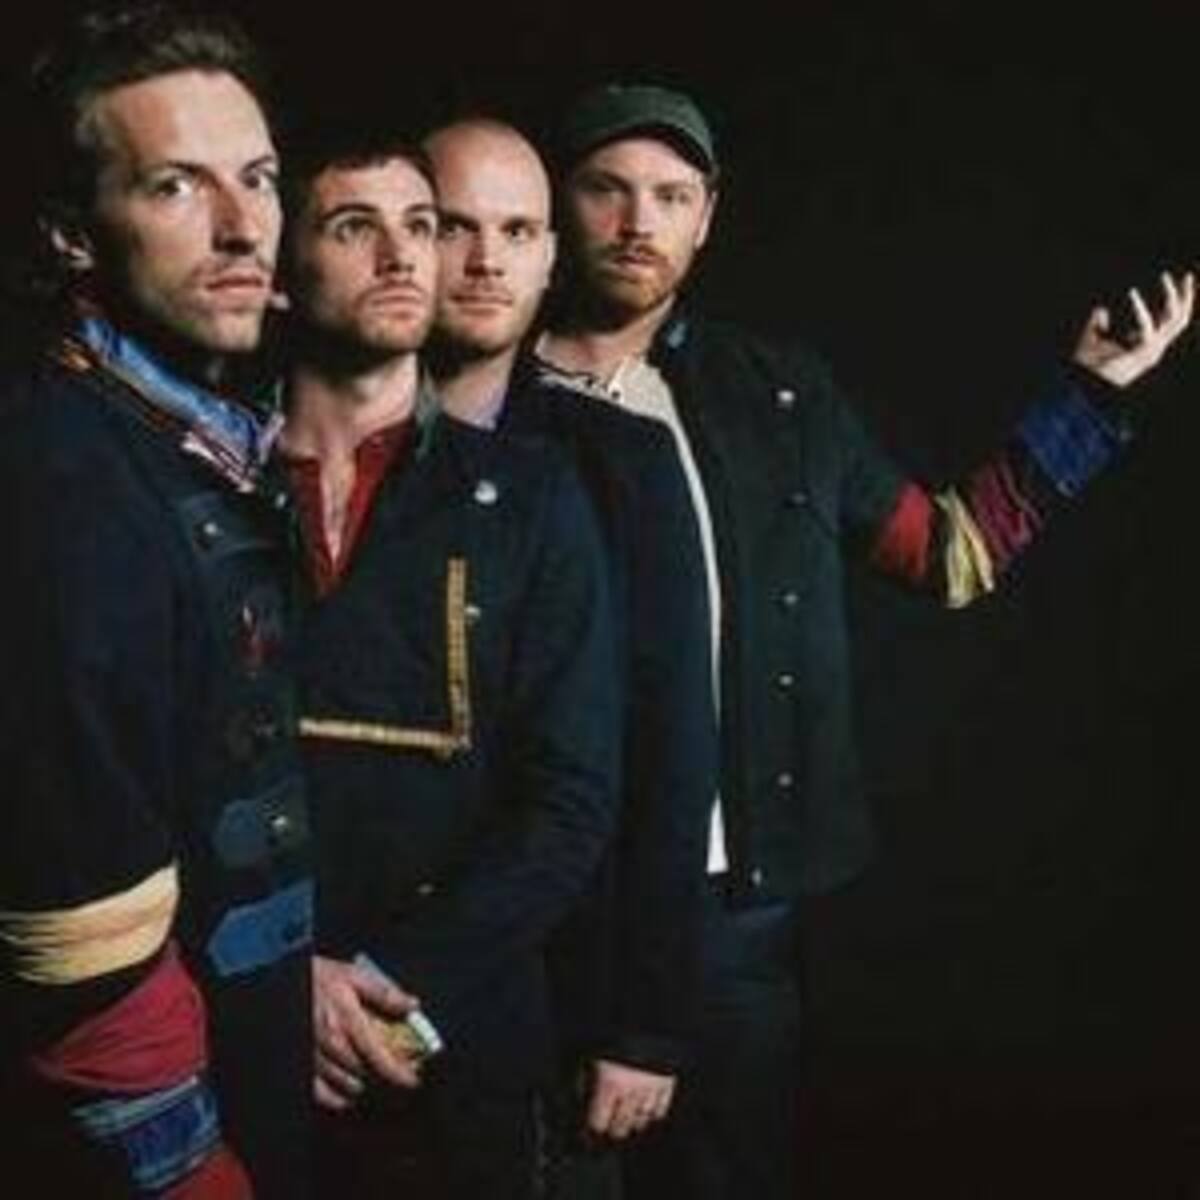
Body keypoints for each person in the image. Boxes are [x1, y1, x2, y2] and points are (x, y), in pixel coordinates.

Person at [532, 82, 1195, 1200]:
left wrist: (1088, 396)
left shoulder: (778, 393)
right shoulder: (484, 389)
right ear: (560, 199)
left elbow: (948, 556)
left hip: (737, 907)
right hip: (550, 896)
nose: (639, 222)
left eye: (671, 196)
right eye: (608, 189)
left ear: (709, 214)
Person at [0, 5, 314, 1197]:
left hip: (263, 1042)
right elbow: (75, 908)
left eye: (259, 178)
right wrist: (185, 1167)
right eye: (176, 185)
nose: (244, 228)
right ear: (71, 233)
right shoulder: (62, 480)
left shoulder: (191, 436)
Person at [278, 133, 620, 1199]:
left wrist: (383, 990)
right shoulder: (203, 486)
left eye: (419, 227)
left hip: (450, 1039)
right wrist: (275, 988)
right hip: (232, 1029)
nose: (401, 256)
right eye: (355, 227)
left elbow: (571, 802)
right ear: (282, 266)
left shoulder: (534, 500)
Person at [423, 116, 718, 1179]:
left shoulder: (622, 459)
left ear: (549, 255)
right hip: (338, 971)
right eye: (449, 226)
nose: (483, 260)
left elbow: (670, 746)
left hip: (557, 974)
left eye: (515, 231)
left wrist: (644, 1022)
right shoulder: (289, 435)